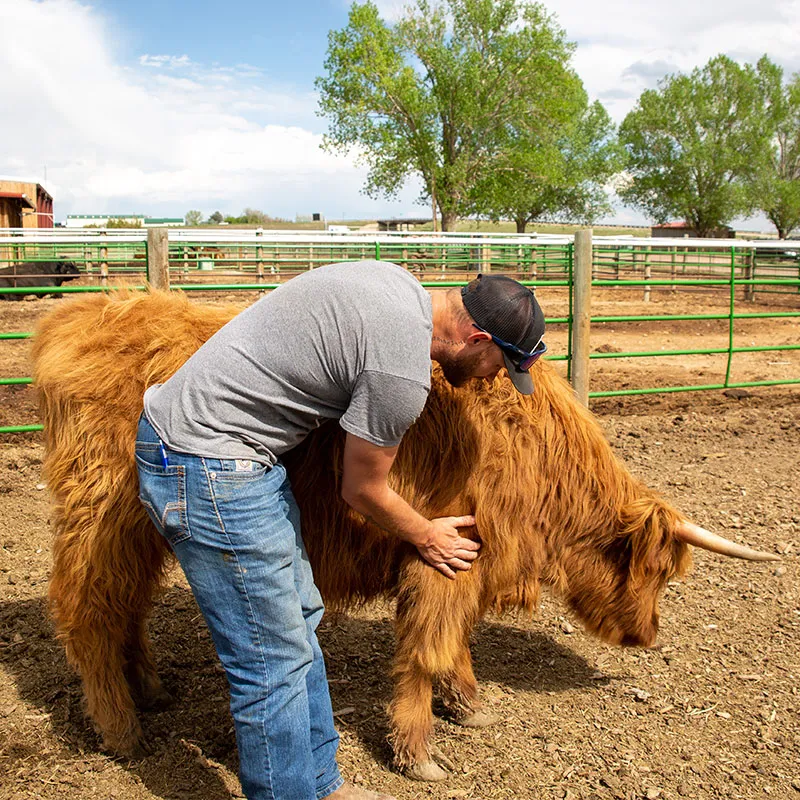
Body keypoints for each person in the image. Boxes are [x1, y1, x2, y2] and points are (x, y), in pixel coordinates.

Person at [134, 261, 546, 800]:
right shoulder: (400, 375)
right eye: (501, 362)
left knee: (301, 617)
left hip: (234, 457)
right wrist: (425, 533)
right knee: (270, 657)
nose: (495, 377)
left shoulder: (398, 284)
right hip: (206, 462)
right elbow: (362, 491)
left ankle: (320, 784)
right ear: (477, 337)